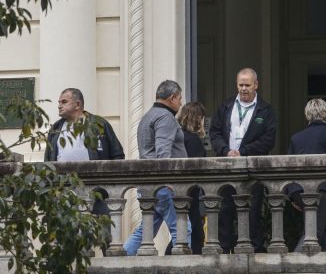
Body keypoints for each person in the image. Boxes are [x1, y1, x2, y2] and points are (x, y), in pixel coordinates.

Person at [44, 87, 125, 256]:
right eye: (59, 102)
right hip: (65, 192)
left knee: (107, 238)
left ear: (78, 104)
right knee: (66, 239)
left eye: (64, 102)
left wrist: (110, 185)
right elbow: (48, 162)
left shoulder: (99, 124)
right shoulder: (56, 129)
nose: (59, 106)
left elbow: (117, 155)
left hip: (99, 192)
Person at [210, 68, 276, 253]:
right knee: (224, 209)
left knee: (252, 210)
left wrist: (244, 151)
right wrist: (225, 150)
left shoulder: (266, 110)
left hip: (253, 168)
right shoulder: (225, 107)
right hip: (227, 166)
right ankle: (224, 249)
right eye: (240, 85)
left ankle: (253, 247)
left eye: (247, 85)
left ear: (256, 85)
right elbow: (214, 132)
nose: (244, 89)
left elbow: (268, 139)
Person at [123, 80, 191, 255]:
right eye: (180, 98)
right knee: (183, 231)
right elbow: (163, 154)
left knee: (145, 232)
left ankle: (119, 260)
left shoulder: (148, 116)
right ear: (172, 97)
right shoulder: (165, 118)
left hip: (149, 184)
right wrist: (168, 181)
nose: (181, 103)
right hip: (164, 186)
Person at [284, 98, 326, 251]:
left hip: (300, 191)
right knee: (313, 235)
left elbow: (286, 168)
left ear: (307, 115)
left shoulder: (296, 138)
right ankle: (294, 265)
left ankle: (324, 266)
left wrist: (292, 195)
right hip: (322, 191)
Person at [177, 102, 207, 254]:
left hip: (180, 191)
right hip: (191, 193)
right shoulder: (194, 140)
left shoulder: (179, 136)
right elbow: (197, 169)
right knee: (194, 233)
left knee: (185, 232)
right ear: (198, 119)